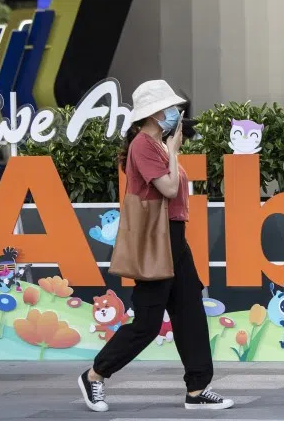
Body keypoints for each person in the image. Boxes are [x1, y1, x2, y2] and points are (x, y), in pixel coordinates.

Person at [77, 79, 233, 413]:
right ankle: (95, 374)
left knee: (189, 311)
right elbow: (167, 187)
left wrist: (171, 150)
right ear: (155, 112)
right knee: (147, 323)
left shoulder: (156, 143)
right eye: (171, 108)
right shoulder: (143, 145)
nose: (177, 113)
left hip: (174, 237)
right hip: (156, 240)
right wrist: (175, 153)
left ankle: (197, 388)